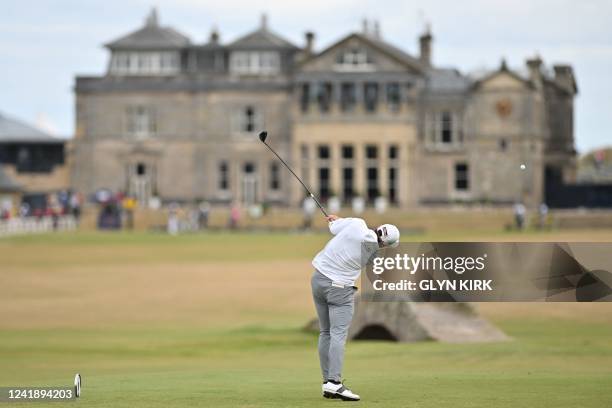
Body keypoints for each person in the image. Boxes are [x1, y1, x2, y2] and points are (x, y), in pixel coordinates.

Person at [311, 215, 400, 401]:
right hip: (340, 290)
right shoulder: (373, 253)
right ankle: (334, 383)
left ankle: (328, 382)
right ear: (385, 244)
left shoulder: (357, 224)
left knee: (325, 332)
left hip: (318, 280)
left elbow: (333, 227)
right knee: (338, 334)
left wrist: (338, 220)